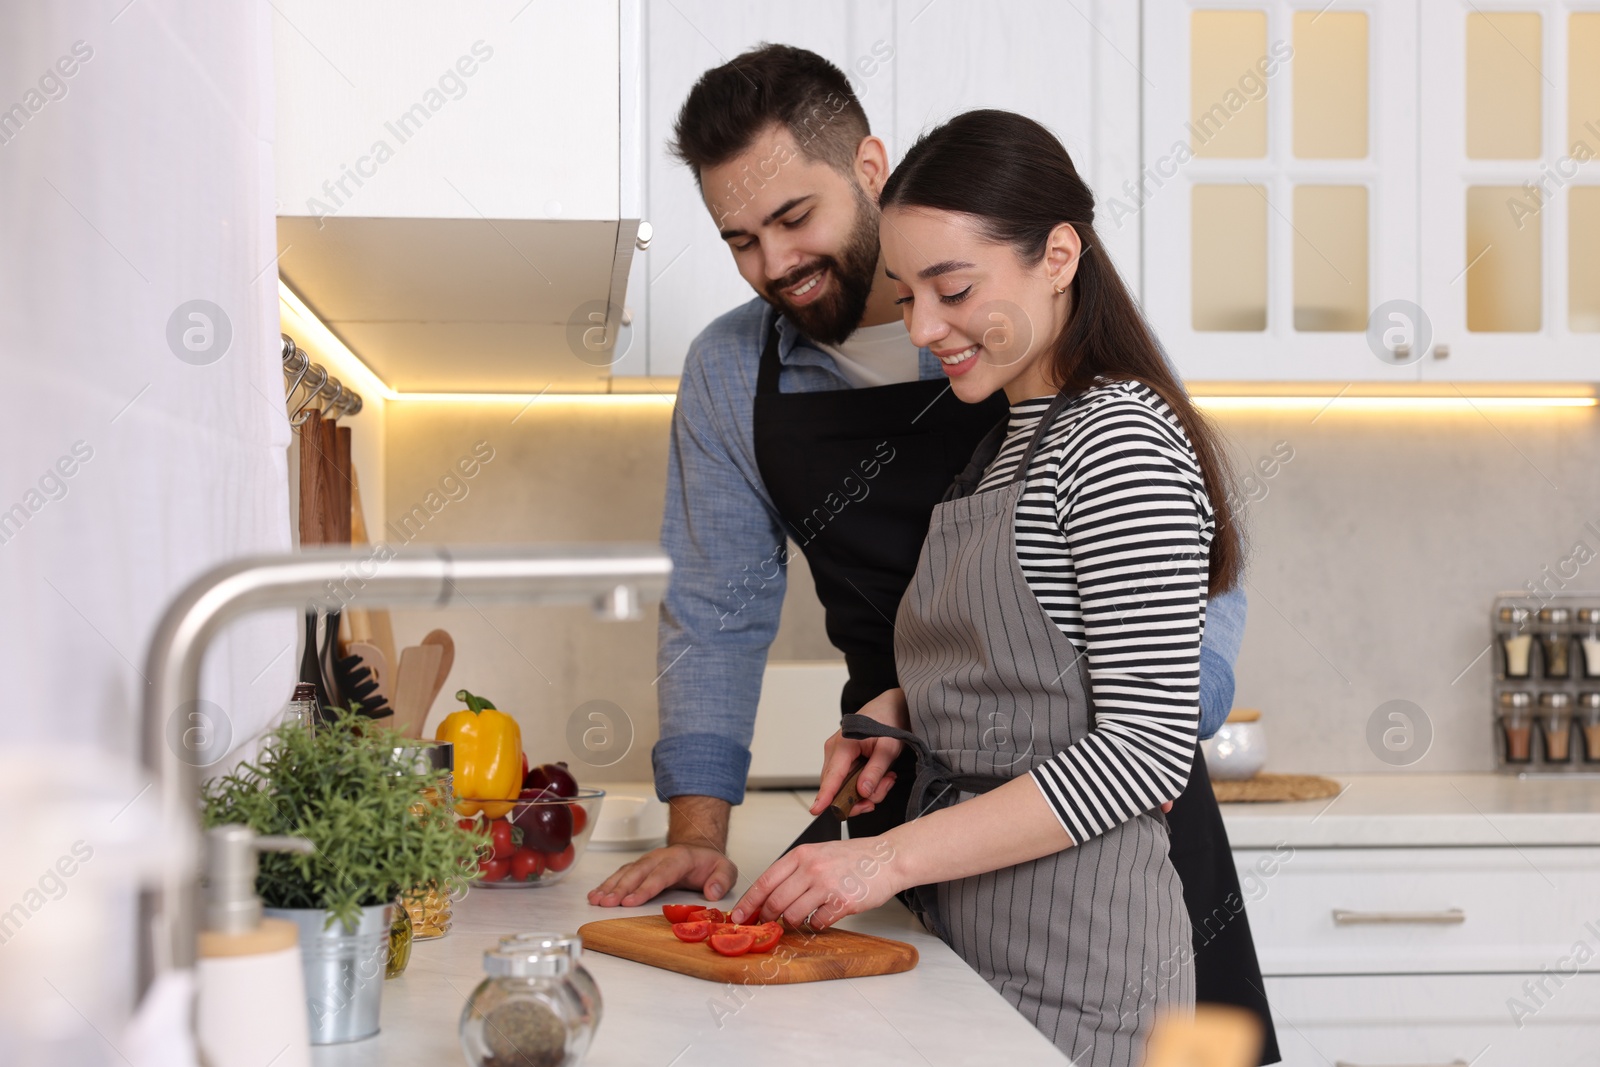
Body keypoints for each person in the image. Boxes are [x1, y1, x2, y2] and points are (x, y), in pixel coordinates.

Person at [587, 45, 1278, 1064]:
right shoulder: (779, 377)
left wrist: (1154, 714)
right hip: (931, 799)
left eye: (792, 219)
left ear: (869, 168)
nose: (774, 262)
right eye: (739, 239)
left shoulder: (1074, 395)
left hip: (1092, 835)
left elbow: (1159, 663)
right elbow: (717, 605)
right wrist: (909, 715)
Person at [730, 107, 1237, 1064]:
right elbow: (1046, 669)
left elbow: (1144, 749)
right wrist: (904, 712)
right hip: (978, 943)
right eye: (906, 293)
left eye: (953, 288)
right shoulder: (1008, 440)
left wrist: (881, 857)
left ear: (1057, 254)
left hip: (1088, 977)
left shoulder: (1115, 437)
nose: (923, 327)